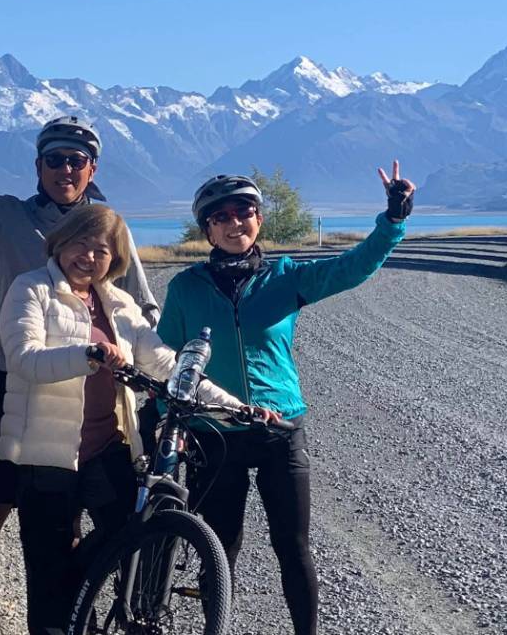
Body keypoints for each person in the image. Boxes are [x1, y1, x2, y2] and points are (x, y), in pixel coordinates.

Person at [0, 71, 156, 635]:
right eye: (55, 160)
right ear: (38, 167)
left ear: (92, 170)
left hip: (92, 391)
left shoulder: (108, 231)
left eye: (77, 160)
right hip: (15, 383)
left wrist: (142, 365)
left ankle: (73, 609)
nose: (66, 169)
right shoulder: (5, 216)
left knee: (79, 516)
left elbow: (142, 311)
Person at [159, 165, 413, 635]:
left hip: (280, 430)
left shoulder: (285, 275)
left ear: (259, 219)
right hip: (214, 432)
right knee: (219, 549)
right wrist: (162, 419)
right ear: (206, 228)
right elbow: (165, 359)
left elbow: (352, 267)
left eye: (246, 212)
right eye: (222, 216)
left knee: (292, 547)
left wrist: (392, 219)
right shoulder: (185, 288)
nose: (236, 223)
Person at [0, 204, 251, 635]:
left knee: (135, 535)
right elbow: (24, 359)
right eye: (82, 243)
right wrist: (88, 355)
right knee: (48, 577)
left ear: (115, 261)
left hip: (107, 449)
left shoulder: (118, 302)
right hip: (46, 457)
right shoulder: (31, 289)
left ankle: (96, 605)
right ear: (61, 241)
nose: (90, 257)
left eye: (103, 251)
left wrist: (235, 405)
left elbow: (166, 364)